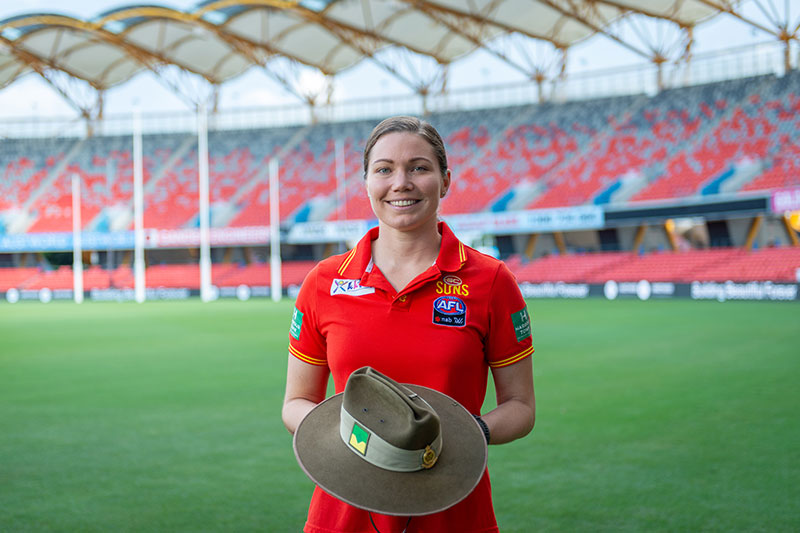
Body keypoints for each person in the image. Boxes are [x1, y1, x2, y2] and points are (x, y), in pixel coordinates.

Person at [282, 115, 535, 533]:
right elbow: (295, 403)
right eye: (384, 169)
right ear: (367, 183)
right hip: (343, 511)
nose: (401, 182)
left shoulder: (491, 281)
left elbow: (521, 407)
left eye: (419, 167)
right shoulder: (323, 282)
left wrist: (467, 433)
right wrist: (362, 440)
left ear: (445, 180)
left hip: (454, 511)